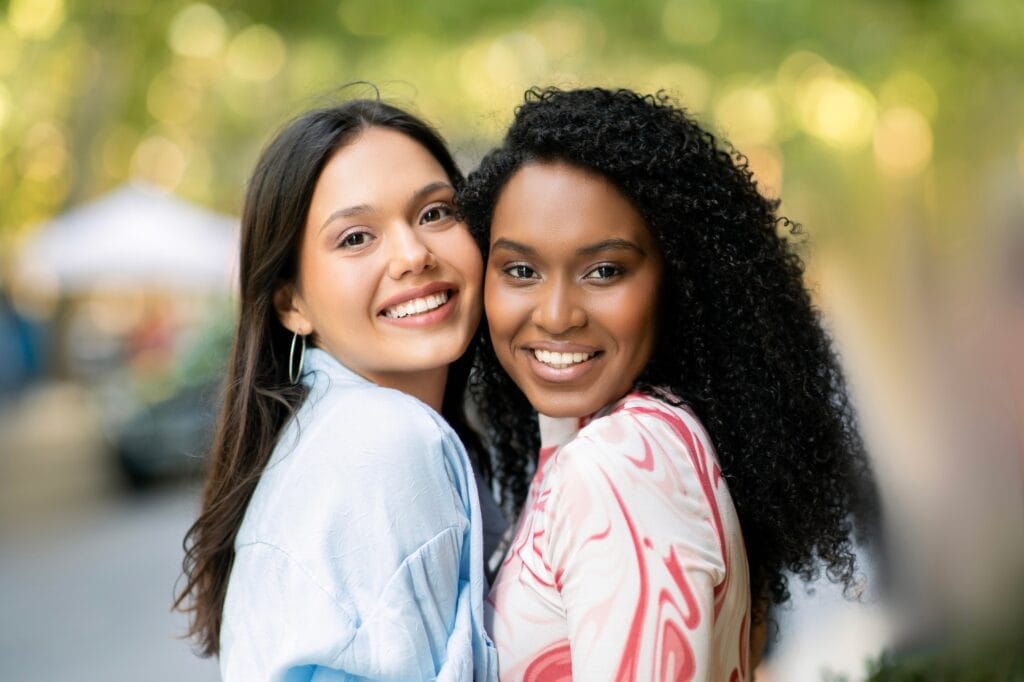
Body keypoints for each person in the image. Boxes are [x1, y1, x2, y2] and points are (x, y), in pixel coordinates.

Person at [457, 87, 878, 680]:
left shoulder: (619, 465)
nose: (555, 314)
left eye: (604, 271)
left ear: (678, 277)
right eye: (521, 270)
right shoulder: (643, 436)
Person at [174, 99, 497, 680]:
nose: (413, 255)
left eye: (435, 213)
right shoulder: (386, 440)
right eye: (355, 238)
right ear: (290, 303)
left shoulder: (320, 433)